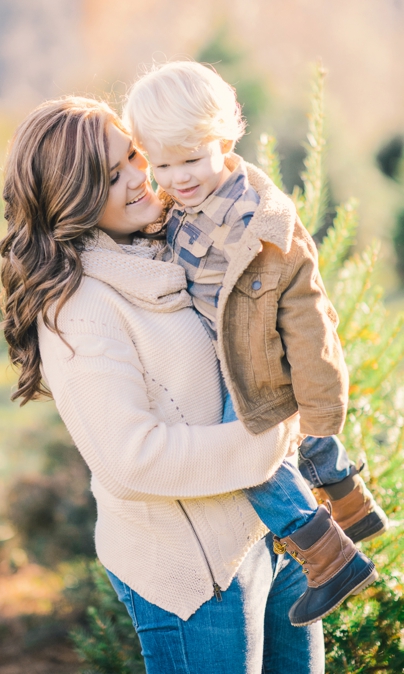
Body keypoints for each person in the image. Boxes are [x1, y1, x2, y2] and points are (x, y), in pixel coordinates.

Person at [0, 96, 323, 672]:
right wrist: (268, 443)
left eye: (133, 156)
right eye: (110, 176)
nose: (139, 178)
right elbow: (132, 458)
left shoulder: (178, 245)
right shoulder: (79, 308)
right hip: (197, 576)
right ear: (70, 198)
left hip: (272, 536)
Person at [122, 60, 384, 626]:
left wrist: (321, 410)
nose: (178, 177)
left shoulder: (265, 227)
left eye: (191, 159)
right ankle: (350, 504)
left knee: (248, 462)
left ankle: (330, 558)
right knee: (285, 455)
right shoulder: (175, 204)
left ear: (226, 138)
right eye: (161, 164)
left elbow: (311, 319)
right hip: (212, 363)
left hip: (250, 372)